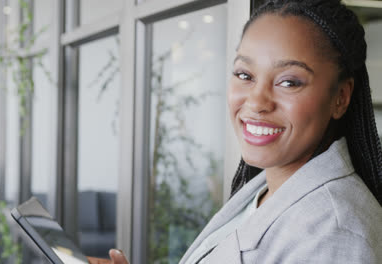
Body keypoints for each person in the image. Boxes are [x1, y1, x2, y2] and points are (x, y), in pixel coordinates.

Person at [88, 0, 382, 263]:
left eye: (289, 82)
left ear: (341, 97)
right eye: (245, 75)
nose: (256, 102)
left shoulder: (335, 235)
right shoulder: (265, 188)